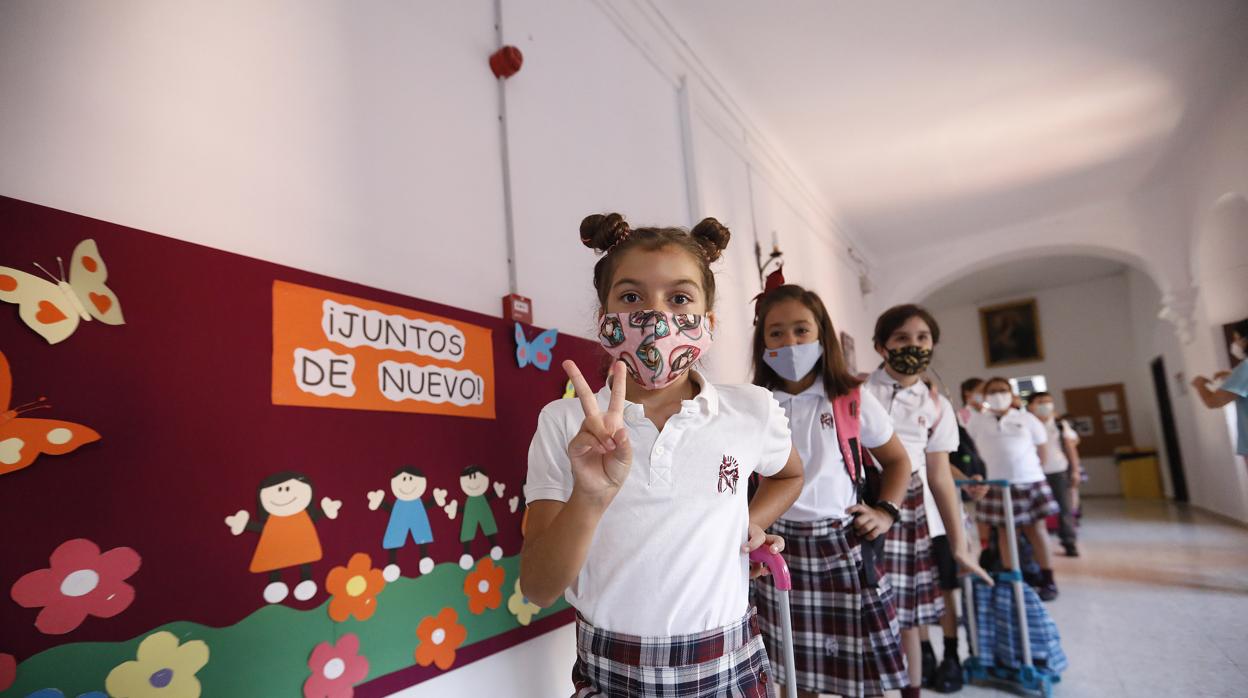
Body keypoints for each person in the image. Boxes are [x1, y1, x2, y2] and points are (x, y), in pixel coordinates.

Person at [521, 213, 805, 697]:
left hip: (728, 665)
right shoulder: (564, 424)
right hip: (612, 671)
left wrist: (743, 525)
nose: (656, 317)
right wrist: (590, 496)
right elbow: (539, 587)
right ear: (605, 321)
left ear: (708, 321)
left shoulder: (751, 409)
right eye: (631, 297)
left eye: (679, 298)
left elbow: (788, 476)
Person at [751, 284, 911, 698]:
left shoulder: (851, 398)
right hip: (778, 548)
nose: (790, 342)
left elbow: (897, 461)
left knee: (862, 669)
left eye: (802, 330)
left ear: (822, 334)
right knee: (794, 667)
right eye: (777, 333)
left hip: (842, 544)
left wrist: (886, 511)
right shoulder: (755, 404)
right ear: (762, 342)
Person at [867, 304, 991, 694]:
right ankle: (909, 665)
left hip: (925, 514)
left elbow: (939, 474)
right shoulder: (859, 391)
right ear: (881, 346)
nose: (914, 346)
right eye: (902, 338)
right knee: (883, 604)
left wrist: (960, 541)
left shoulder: (935, 404)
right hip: (870, 503)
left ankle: (947, 655)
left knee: (932, 594)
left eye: (922, 338)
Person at [966, 378, 1060, 601]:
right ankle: (1014, 578)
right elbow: (972, 453)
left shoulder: (1027, 419)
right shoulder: (977, 421)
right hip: (997, 485)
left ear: (1011, 393)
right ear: (985, 395)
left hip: (1029, 481)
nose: (998, 394)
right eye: (993, 391)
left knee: (1036, 530)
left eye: (1003, 390)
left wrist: (1032, 471)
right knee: (1005, 533)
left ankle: (1047, 578)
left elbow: (1042, 452)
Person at [1027, 393, 1081, 557]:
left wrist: (1075, 470)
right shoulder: (1026, 423)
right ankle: (1037, 544)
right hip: (1034, 473)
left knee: (1065, 508)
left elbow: (1071, 447)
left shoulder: (1059, 424)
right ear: (1031, 405)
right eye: (1040, 402)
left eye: (1048, 402)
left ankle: (1069, 541)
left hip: (1058, 470)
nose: (1045, 405)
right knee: (1036, 511)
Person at [1191, 319, 1248, 467]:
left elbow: (1213, 401)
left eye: (1237, 339)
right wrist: (1232, 376)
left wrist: (1199, 384)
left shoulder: (1245, 371)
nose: (1236, 344)